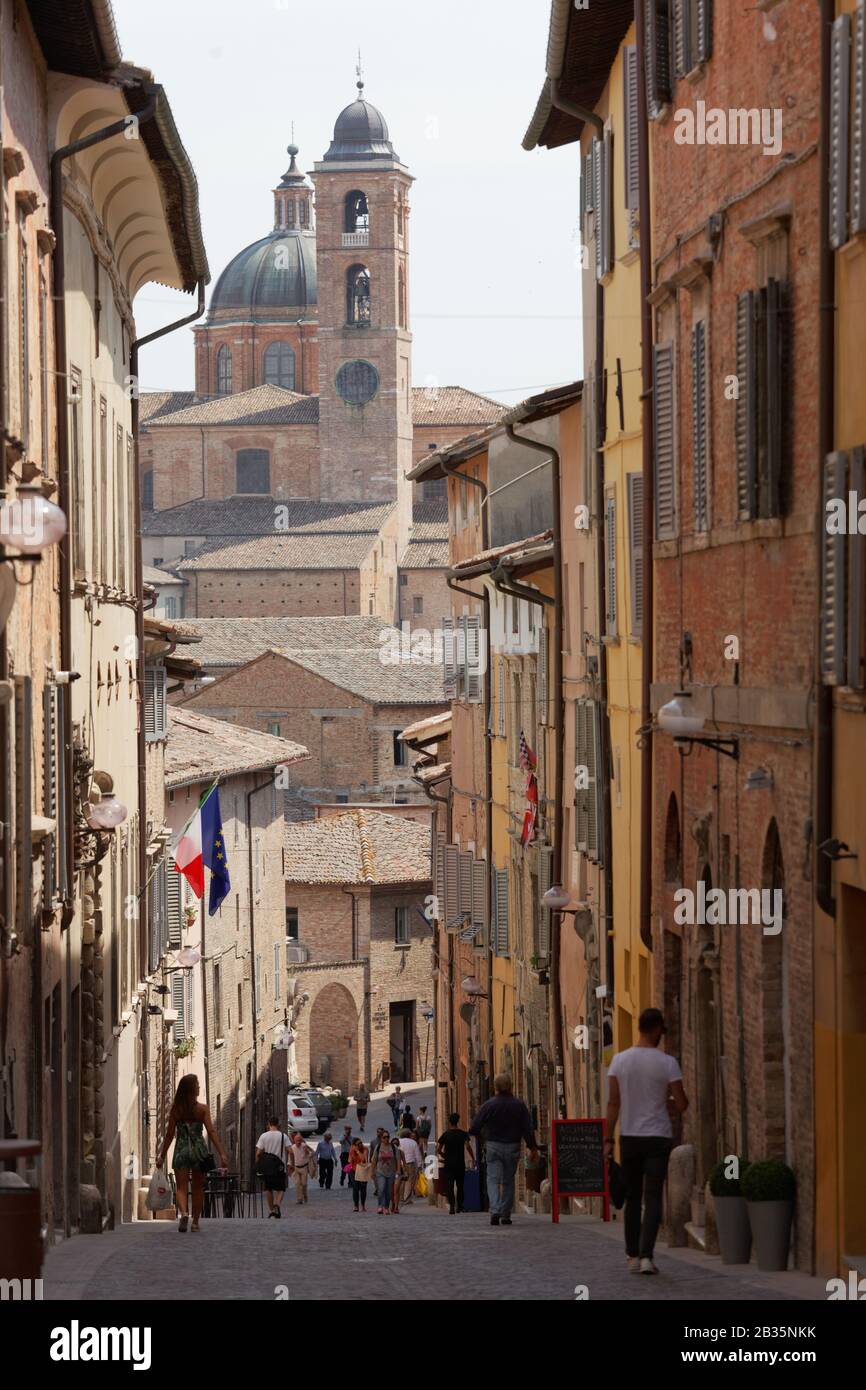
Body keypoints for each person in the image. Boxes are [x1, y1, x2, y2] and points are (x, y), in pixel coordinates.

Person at [605, 1007, 688, 1275]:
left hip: (630, 1137)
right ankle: (646, 1256)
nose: (662, 1036)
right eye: (661, 1032)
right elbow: (682, 1103)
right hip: (658, 1136)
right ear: (655, 1030)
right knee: (652, 1197)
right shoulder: (667, 1063)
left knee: (632, 1196)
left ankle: (631, 1254)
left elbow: (613, 1102)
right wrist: (670, 1100)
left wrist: (608, 1139)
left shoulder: (619, 1061)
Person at [156, 1073, 228, 1234]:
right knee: (198, 1188)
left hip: (181, 1150)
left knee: (181, 1187)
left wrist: (162, 1155)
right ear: (191, 1089)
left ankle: (184, 1213)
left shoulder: (176, 1110)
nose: (199, 1087)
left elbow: (169, 1135)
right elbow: (211, 1131)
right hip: (198, 1151)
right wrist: (221, 1153)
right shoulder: (202, 1109)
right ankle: (195, 1222)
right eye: (197, 1085)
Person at [470, 1074, 539, 1227]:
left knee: (493, 1179)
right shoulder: (519, 1105)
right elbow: (527, 1129)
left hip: (493, 1145)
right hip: (512, 1146)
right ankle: (505, 1214)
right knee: (508, 1180)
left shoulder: (489, 1105)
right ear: (511, 1086)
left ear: (495, 1087)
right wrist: (532, 1147)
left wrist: (483, 1138)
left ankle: (494, 1210)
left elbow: (474, 1127)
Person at [436, 1113, 475, 1215]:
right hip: (459, 1164)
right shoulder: (463, 1134)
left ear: (449, 1122)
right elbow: (467, 1146)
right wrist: (473, 1158)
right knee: (460, 1185)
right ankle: (460, 1206)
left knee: (449, 1186)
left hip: (449, 1164)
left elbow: (438, 1150)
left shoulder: (445, 1134)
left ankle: (452, 1206)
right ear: (457, 1121)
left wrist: (445, 1156)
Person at [254, 1116, 291, 1218]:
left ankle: (272, 1210)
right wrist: (290, 1163)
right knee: (281, 1189)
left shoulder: (263, 1136)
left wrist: (258, 1165)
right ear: (278, 1124)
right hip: (279, 1167)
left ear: (269, 1124)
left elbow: (258, 1153)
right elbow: (291, 1151)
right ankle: (277, 1205)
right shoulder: (284, 1136)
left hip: (267, 1168)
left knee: (269, 1189)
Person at [372, 1132, 399, 1215]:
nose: (386, 1139)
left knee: (388, 1191)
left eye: (387, 1137)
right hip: (380, 1171)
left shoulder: (394, 1147)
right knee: (381, 1188)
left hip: (391, 1172)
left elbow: (398, 1159)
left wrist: (398, 1170)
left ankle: (386, 1207)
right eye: (384, 1137)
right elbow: (374, 1160)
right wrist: (372, 1171)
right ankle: (380, 1205)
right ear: (381, 1138)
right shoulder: (378, 1147)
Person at [287, 1130, 316, 1205]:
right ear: (294, 1140)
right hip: (296, 1168)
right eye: (296, 1140)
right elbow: (290, 1158)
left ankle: (305, 1195)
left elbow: (313, 1153)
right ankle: (299, 1199)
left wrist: (307, 1153)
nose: (298, 1142)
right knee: (297, 1184)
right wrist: (289, 1167)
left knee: (304, 1184)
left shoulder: (304, 1146)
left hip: (304, 1168)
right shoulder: (292, 1147)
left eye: (299, 1140)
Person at [396, 1129, 423, 1207]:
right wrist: (419, 1165)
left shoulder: (398, 1141)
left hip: (400, 1164)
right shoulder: (413, 1142)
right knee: (409, 1181)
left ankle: (400, 1197)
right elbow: (417, 1155)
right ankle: (406, 1198)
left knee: (400, 1181)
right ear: (409, 1135)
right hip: (410, 1164)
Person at [348, 1136, 371, 1212]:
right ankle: (356, 1205)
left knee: (363, 1189)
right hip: (353, 1171)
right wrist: (351, 1157)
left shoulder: (365, 1149)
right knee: (355, 1188)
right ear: (354, 1145)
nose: (360, 1144)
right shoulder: (352, 1150)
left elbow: (363, 1159)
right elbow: (349, 1161)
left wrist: (357, 1151)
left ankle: (363, 1205)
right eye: (358, 1144)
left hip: (362, 1171)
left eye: (361, 1143)